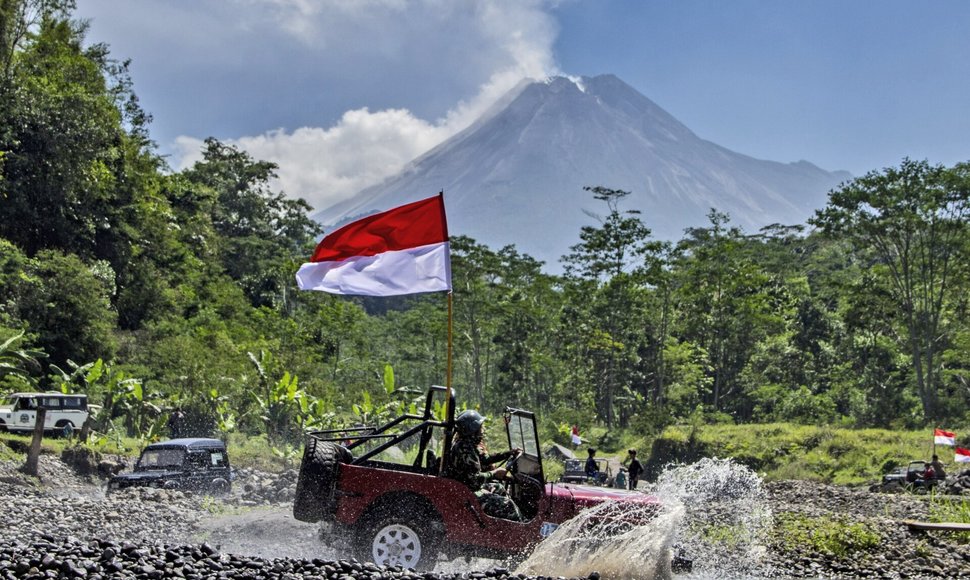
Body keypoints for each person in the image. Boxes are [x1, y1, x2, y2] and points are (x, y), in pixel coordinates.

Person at [446, 410, 522, 521]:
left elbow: (485, 459)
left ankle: (500, 523)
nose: (483, 430)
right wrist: (494, 474)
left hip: (466, 488)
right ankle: (518, 531)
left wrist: (508, 453)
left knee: (499, 488)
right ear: (473, 430)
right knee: (508, 505)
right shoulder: (465, 450)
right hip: (467, 494)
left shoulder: (467, 444)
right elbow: (474, 479)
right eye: (481, 428)